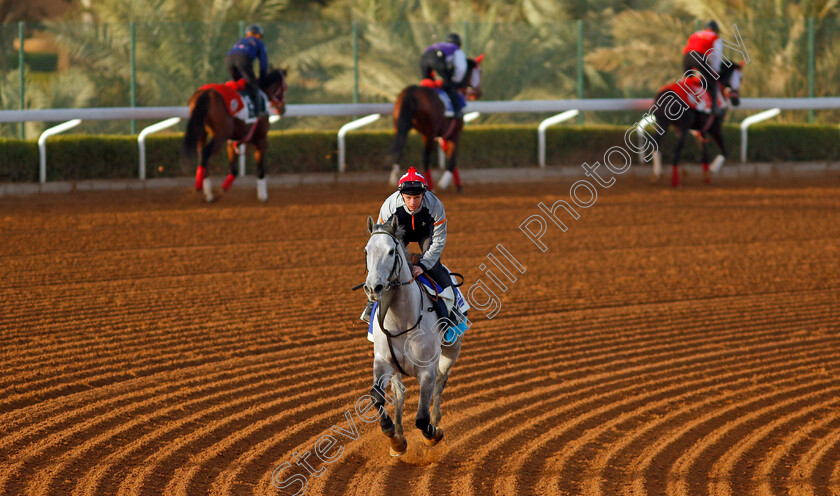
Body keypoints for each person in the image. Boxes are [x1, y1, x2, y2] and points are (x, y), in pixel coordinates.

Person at [362, 167, 451, 323]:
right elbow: (380, 241)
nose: (412, 202)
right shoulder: (389, 206)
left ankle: (452, 313)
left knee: (435, 268)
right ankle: (372, 304)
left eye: (417, 197)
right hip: (398, 233)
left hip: (425, 234)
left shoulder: (436, 206)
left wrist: (423, 265)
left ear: (424, 195)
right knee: (386, 263)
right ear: (401, 195)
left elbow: (438, 240)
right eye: (408, 198)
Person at [420, 33, 468, 118]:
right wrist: (456, 82)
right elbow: (461, 68)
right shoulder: (456, 49)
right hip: (437, 59)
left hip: (423, 58)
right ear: (459, 43)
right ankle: (456, 111)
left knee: (427, 84)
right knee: (449, 85)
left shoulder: (439, 45)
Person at [226, 24, 269, 115]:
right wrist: (262, 79)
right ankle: (256, 113)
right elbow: (263, 63)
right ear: (258, 35)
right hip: (243, 59)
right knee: (253, 86)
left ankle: (234, 109)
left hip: (229, 59)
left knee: (237, 85)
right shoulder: (258, 42)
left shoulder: (239, 41)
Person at [682, 20, 724, 115]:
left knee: (687, 81)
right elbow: (716, 56)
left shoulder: (696, 34)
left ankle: (685, 102)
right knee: (712, 81)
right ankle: (713, 108)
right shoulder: (715, 38)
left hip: (687, 57)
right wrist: (715, 70)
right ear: (716, 30)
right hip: (699, 57)